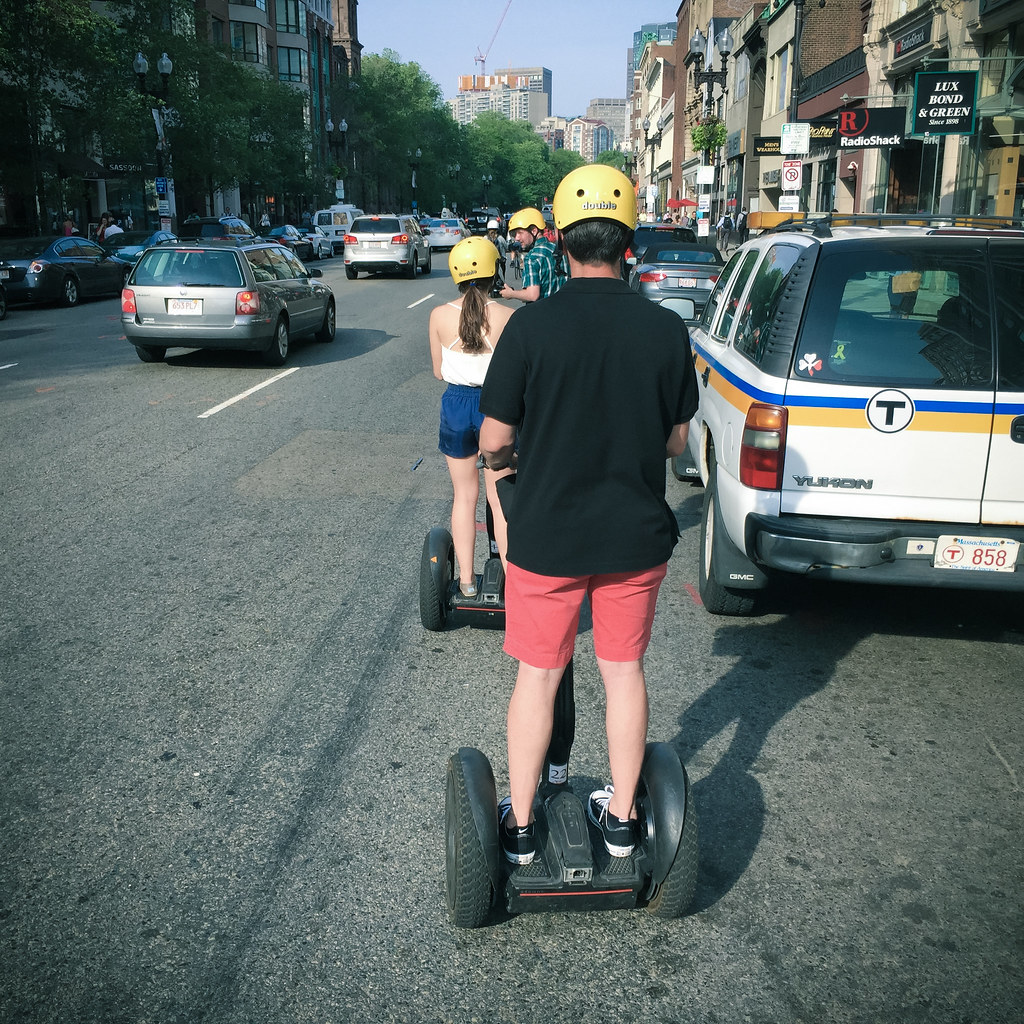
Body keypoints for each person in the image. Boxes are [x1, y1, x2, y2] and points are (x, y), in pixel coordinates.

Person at [478, 164, 700, 866]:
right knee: (623, 670)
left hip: (549, 535)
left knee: (539, 676)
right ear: (627, 241)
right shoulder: (666, 330)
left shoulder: (529, 327)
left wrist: (510, 466)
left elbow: (492, 441)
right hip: (635, 534)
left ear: (561, 240)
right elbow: (675, 442)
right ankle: (625, 820)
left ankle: (518, 830)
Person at [429, 236, 516, 597]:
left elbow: (438, 371)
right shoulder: (508, 317)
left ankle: (465, 581)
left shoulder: (438, 316)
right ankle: (513, 583)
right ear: (493, 271)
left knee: (464, 495)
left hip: (456, 404)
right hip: (495, 406)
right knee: (501, 497)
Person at [499, 206, 564, 303]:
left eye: (520, 233)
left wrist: (511, 293)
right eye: (514, 234)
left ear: (534, 230)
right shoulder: (560, 251)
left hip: (543, 312)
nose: (516, 238)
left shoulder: (532, 257)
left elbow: (532, 295)